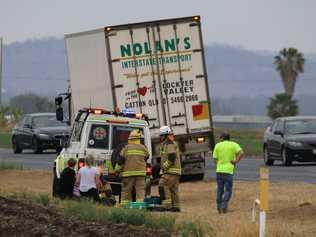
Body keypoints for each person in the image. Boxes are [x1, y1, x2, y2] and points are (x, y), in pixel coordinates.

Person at [115, 129, 149, 206]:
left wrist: (117, 171)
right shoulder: (143, 147)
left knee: (126, 192)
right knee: (140, 191)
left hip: (128, 175)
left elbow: (120, 161)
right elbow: (147, 156)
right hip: (141, 174)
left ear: (130, 139)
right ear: (139, 139)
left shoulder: (126, 148)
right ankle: (140, 207)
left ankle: (125, 207)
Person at [213, 132, 244, 214]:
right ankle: (224, 205)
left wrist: (218, 165)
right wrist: (235, 161)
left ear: (222, 138)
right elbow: (241, 153)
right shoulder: (234, 144)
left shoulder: (217, 145)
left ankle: (219, 207)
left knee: (219, 190)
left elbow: (215, 159)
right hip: (229, 171)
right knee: (228, 190)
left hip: (219, 171)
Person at [158, 126, 181, 212]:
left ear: (165, 135)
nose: (160, 137)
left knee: (163, 184)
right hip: (175, 171)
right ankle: (176, 206)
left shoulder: (169, 144)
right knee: (173, 189)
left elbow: (172, 157)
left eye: (161, 135)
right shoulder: (169, 143)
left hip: (171, 171)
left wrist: (164, 167)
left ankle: (167, 206)